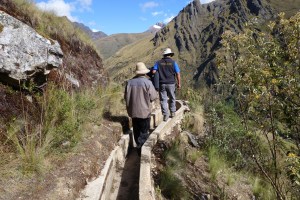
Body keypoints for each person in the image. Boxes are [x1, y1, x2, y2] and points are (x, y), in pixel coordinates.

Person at [124, 62, 158, 151]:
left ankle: (138, 147)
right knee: (144, 132)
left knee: (136, 131)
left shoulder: (129, 83)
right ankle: (141, 150)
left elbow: (125, 97)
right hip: (144, 112)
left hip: (133, 112)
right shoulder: (148, 83)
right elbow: (154, 96)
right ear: (144, 72)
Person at [152, 48, 181, 121]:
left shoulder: (158, 62)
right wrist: (179, 83)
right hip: (171, 83)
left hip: (162, 84)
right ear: (170, 55)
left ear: (164, 55)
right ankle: (173, 112)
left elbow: (153, 71)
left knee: (163, 100)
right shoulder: (173, 63)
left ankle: (165, 115)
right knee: (172, 98)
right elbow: (178, 73)